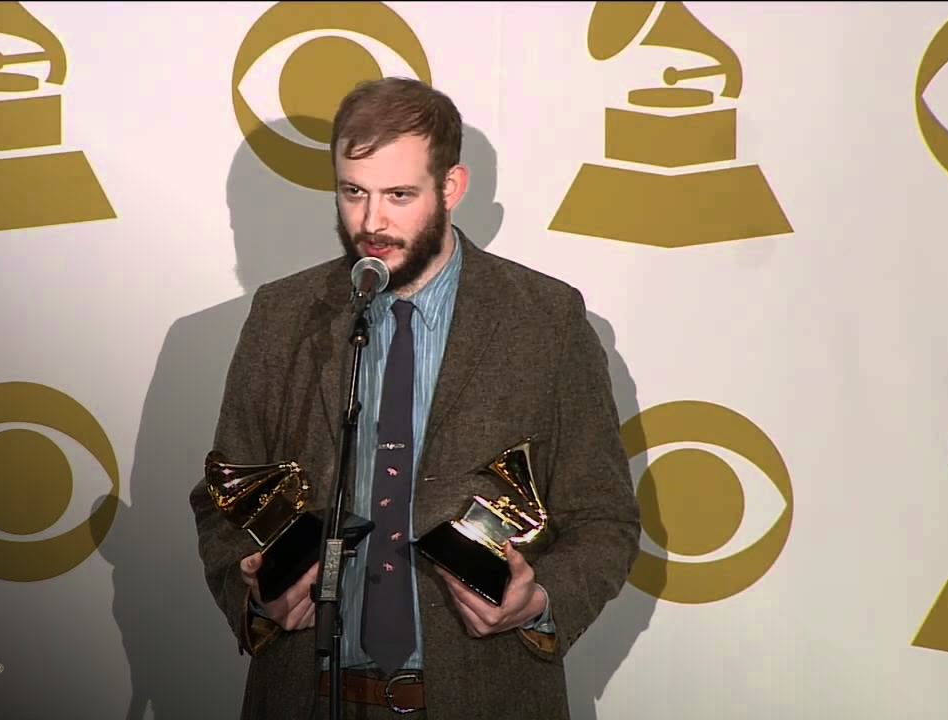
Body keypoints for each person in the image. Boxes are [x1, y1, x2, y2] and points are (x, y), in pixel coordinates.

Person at [191, 77, 641, 720]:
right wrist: (258, 595)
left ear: (451, 188)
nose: (371, 222)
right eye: (353, 193)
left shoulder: (546, 320)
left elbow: (605, 519)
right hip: (306, 696)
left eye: (399, 195)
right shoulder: (282, 315)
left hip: (485, 699)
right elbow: (223, 499)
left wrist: (538, 602)